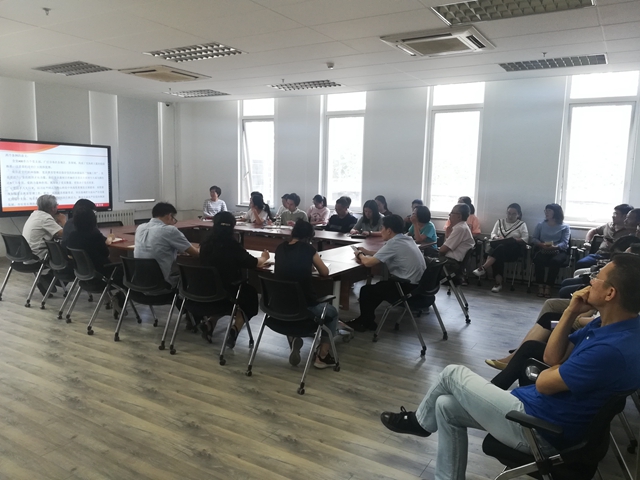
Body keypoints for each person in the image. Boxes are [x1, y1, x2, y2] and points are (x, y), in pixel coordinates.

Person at [380, 253, 640, 480]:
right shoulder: (610, 326)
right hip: (542, 411)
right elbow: (551, 359)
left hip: (541, 430)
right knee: (445, 405)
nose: (590, 281)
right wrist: (570, 312)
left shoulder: (611, 350)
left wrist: (558, 369)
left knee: (452, 373)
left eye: (597, 278)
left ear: (610, 293)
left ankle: (420, 423)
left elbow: (543, 382)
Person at [274, 220, 339, 369]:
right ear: (309, 236)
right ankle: (322, 356)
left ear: (293, 233)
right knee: (332, 313)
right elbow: (324, 272)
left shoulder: (280, 248)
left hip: (279, 307)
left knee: (291, 302)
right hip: (305, 309)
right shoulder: (308, 249)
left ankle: (293, 338)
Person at [198, 211, 269, 346]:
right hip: (229, 290)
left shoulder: (205, 244)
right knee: (249, 296)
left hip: (207, 291)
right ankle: (235, 328)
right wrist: (264, 257)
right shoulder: (232, 245)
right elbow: (253, 263)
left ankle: (210, 323)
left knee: (224, 300)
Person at [346, 214, 426, 332]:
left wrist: (360, 254)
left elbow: (368, 263)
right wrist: (368, 252)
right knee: (378, 288)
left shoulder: (394, 243)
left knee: (366, 290)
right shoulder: (406, 239)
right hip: (420, 287)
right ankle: (367, 319)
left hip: (406, 288)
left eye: (382, 228)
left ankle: (365, 322)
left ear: (389, 230)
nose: (380, 231)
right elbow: (387, 253)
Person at [134, 202, 199, 287]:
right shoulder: (170, 230)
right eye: (173, 218)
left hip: (139, 282)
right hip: (161, 283)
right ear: (169, 216)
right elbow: (196, 253)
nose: (173, 222)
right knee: (195, 275)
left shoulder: (140, 227)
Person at [473, 203, 529, 293]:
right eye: (509, 213)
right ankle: (497, 283)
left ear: (518, 214)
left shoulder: (522, 224)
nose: (510, 216)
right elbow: (493, 234)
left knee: (498, 250)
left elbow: (525, 238)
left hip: (512, 251)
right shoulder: (499, 222)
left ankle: (484, 269)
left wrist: (513, 240)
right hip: (499, 249)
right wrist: (497, 238)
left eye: (513, 214)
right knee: (499, 251)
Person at [22, 194, 67, 295]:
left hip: (26, 254)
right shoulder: (45, 218)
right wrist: (63, 221)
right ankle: (50, 279)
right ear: (53, 208)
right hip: (38, 255)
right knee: (68, 256)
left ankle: (50, 280)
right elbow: (64, 234)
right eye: (57, 205)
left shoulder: (35, 214)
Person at [577, 204, 635, 269]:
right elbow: (593, 231)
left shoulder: (630, 230)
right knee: (581, 263)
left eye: (616, 214)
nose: (613, 216)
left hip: (615, 258)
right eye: (613, 213)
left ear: (624, 216)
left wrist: (613, 247)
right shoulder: (608, 225)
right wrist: (587, 242)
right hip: (599, 255)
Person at [531, 203, 571, 298]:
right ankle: (540, 285)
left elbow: (565, 243)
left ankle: (549, 286)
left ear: (556, 212)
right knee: (539, 260)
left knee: (555, 261)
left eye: (549, 211)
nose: (546, 213)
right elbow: (534, 239)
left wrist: (555, 247)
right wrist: (541, 244)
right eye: (546, 211)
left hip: (558, 251)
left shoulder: (565, 227)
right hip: (543, 249)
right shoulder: (540, 225)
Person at [439, 203, 475, 270]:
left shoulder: (460, 228)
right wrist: (447, 235)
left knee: (424, 258)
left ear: (459, 216)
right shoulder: (462, 226)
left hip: (451, 262)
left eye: (452, 212)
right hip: (450, 259)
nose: (449, 214)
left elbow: (442, 250)